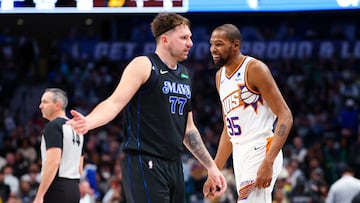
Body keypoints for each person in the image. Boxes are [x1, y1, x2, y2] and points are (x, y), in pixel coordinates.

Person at [66, 13, 227, 202]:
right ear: (165, 39)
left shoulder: (185, 75)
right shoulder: (144, 65)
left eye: (190, 37)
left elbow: (189, 129)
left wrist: (211, 166)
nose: (190, 43)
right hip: (145, 161)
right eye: (184, 38)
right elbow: (114, 102)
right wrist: (89, 121)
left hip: (175, 165)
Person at [203, 24, 293, 202]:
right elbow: (228, 131)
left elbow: (285, 116)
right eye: (212, 44)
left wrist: (269, 161)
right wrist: (215, 170)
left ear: (236, 45)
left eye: (219, 44)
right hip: (239, 153)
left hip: (260, 148)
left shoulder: (254, 69)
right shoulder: (220, 77)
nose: (213, 49)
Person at [33, 88, 84, 203]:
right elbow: (79, 168)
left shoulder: (53, 126)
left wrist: (39, 195)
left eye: (45, 102)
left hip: (56, 188)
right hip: (74, 189)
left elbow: (53, 162)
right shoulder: (78, 129)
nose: (40, 106)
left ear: (58, 105)